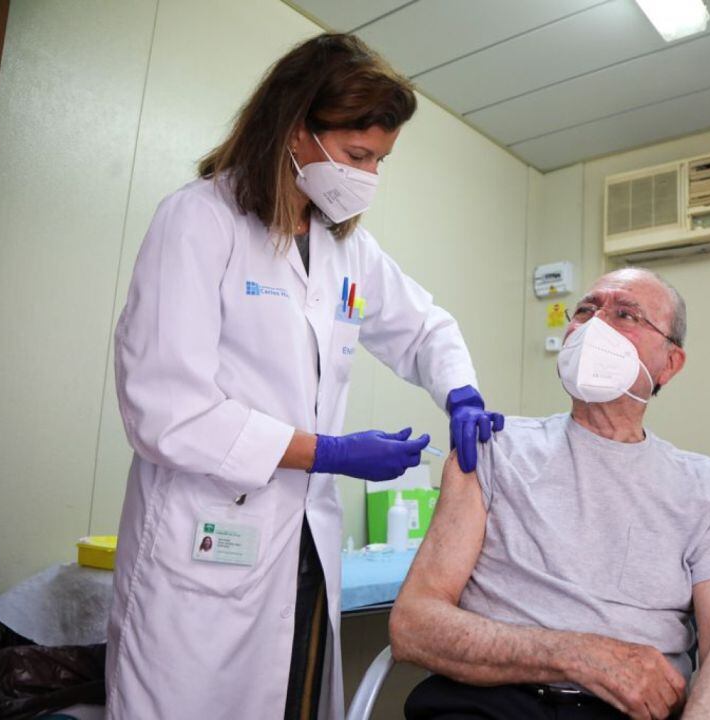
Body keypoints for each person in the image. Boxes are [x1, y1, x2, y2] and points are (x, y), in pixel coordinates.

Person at [107, 33, 502, 720]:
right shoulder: (200, 222)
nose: (369, 177)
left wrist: (459, 391)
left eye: (380, 161)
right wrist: (331, 453)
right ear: (296, 132)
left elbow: (423, 326)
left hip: (303, 550)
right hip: (204, 544)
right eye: (357, 156)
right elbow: (167, 411)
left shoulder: (344, 248)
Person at [390, 268, 710, 720]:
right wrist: (579, 655)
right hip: (491, 704)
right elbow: (413, 624)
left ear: (669, 363)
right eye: (585, 309)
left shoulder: (704, 486)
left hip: (633, 710)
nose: (594, 325)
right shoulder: (492, 449)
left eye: (625, 314)